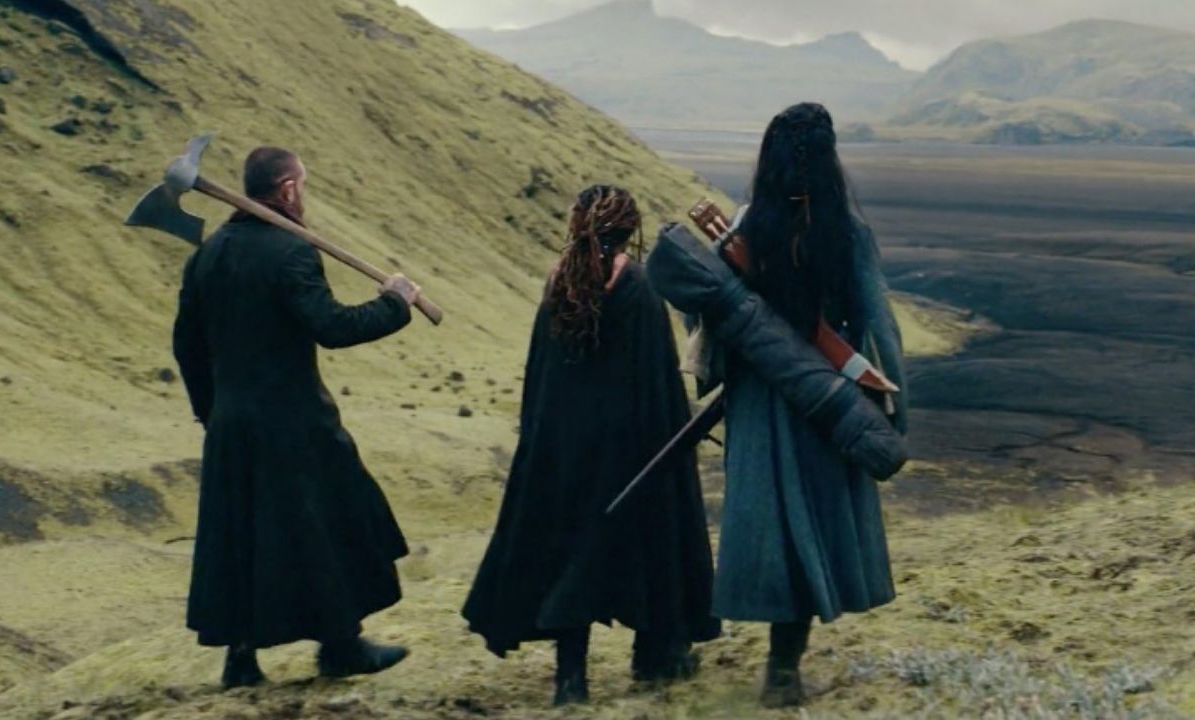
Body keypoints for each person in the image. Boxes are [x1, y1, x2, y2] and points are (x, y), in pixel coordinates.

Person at [651, 102, 909, 708]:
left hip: (759, 401)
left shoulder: (743, 228)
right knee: (812, 524)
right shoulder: (845, 232)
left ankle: (781, 670)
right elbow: (879, 324)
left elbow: (703, 312)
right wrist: (892, 406)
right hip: (829, 398)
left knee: (775, 525)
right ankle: (784, 672)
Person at [172, 146, 422, 689]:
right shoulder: (291, 252)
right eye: (301, 184)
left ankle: (241, 660)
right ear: (287, 189)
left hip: (232, 425)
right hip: (295, 424)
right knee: (326, 526)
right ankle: (342, 647)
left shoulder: (206, 256)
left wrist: (213, 411)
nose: (303, 193)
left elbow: (186, 346)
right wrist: (395, 303)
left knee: (243, 535)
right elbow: (332, 326)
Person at [462, 185, 721, 706]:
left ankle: (571, 679)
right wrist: (675, 441)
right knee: (648, 546)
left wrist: (538, 440)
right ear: (629, 230)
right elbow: (658, 384)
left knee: (568, 553)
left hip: (562, 453)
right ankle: (657, 656)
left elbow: (542, 377)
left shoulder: (559, 282)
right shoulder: (638, 288)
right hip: (628, 453)